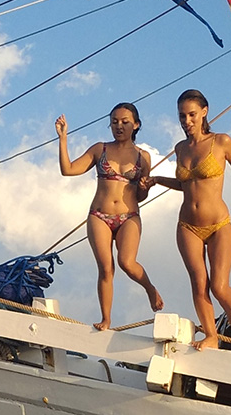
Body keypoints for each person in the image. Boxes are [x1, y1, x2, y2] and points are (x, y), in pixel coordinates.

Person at [149, 89, 231, 350]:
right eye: (182, 116)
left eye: (192, 115)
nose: (187, 121)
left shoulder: (221, 141)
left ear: (204, 112)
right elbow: (185, 183)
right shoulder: (180, 148)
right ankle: (211, 335)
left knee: (219, 286)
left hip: (218, 224)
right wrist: (156, 180)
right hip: (188, 225)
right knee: (199, 283)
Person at [56, 104, 164, 330]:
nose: (119, 126)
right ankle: (106, 319)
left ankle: (150, 288)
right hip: (99, 215)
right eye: (114, 122)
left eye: (125, 122)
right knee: (106, 268)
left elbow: (141, 196)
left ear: (136, 125)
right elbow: (68, 169)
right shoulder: (100, 149)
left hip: (129, 216)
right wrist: (63, 138)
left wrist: (144, 187)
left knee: (127, 262)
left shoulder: (143, 157)